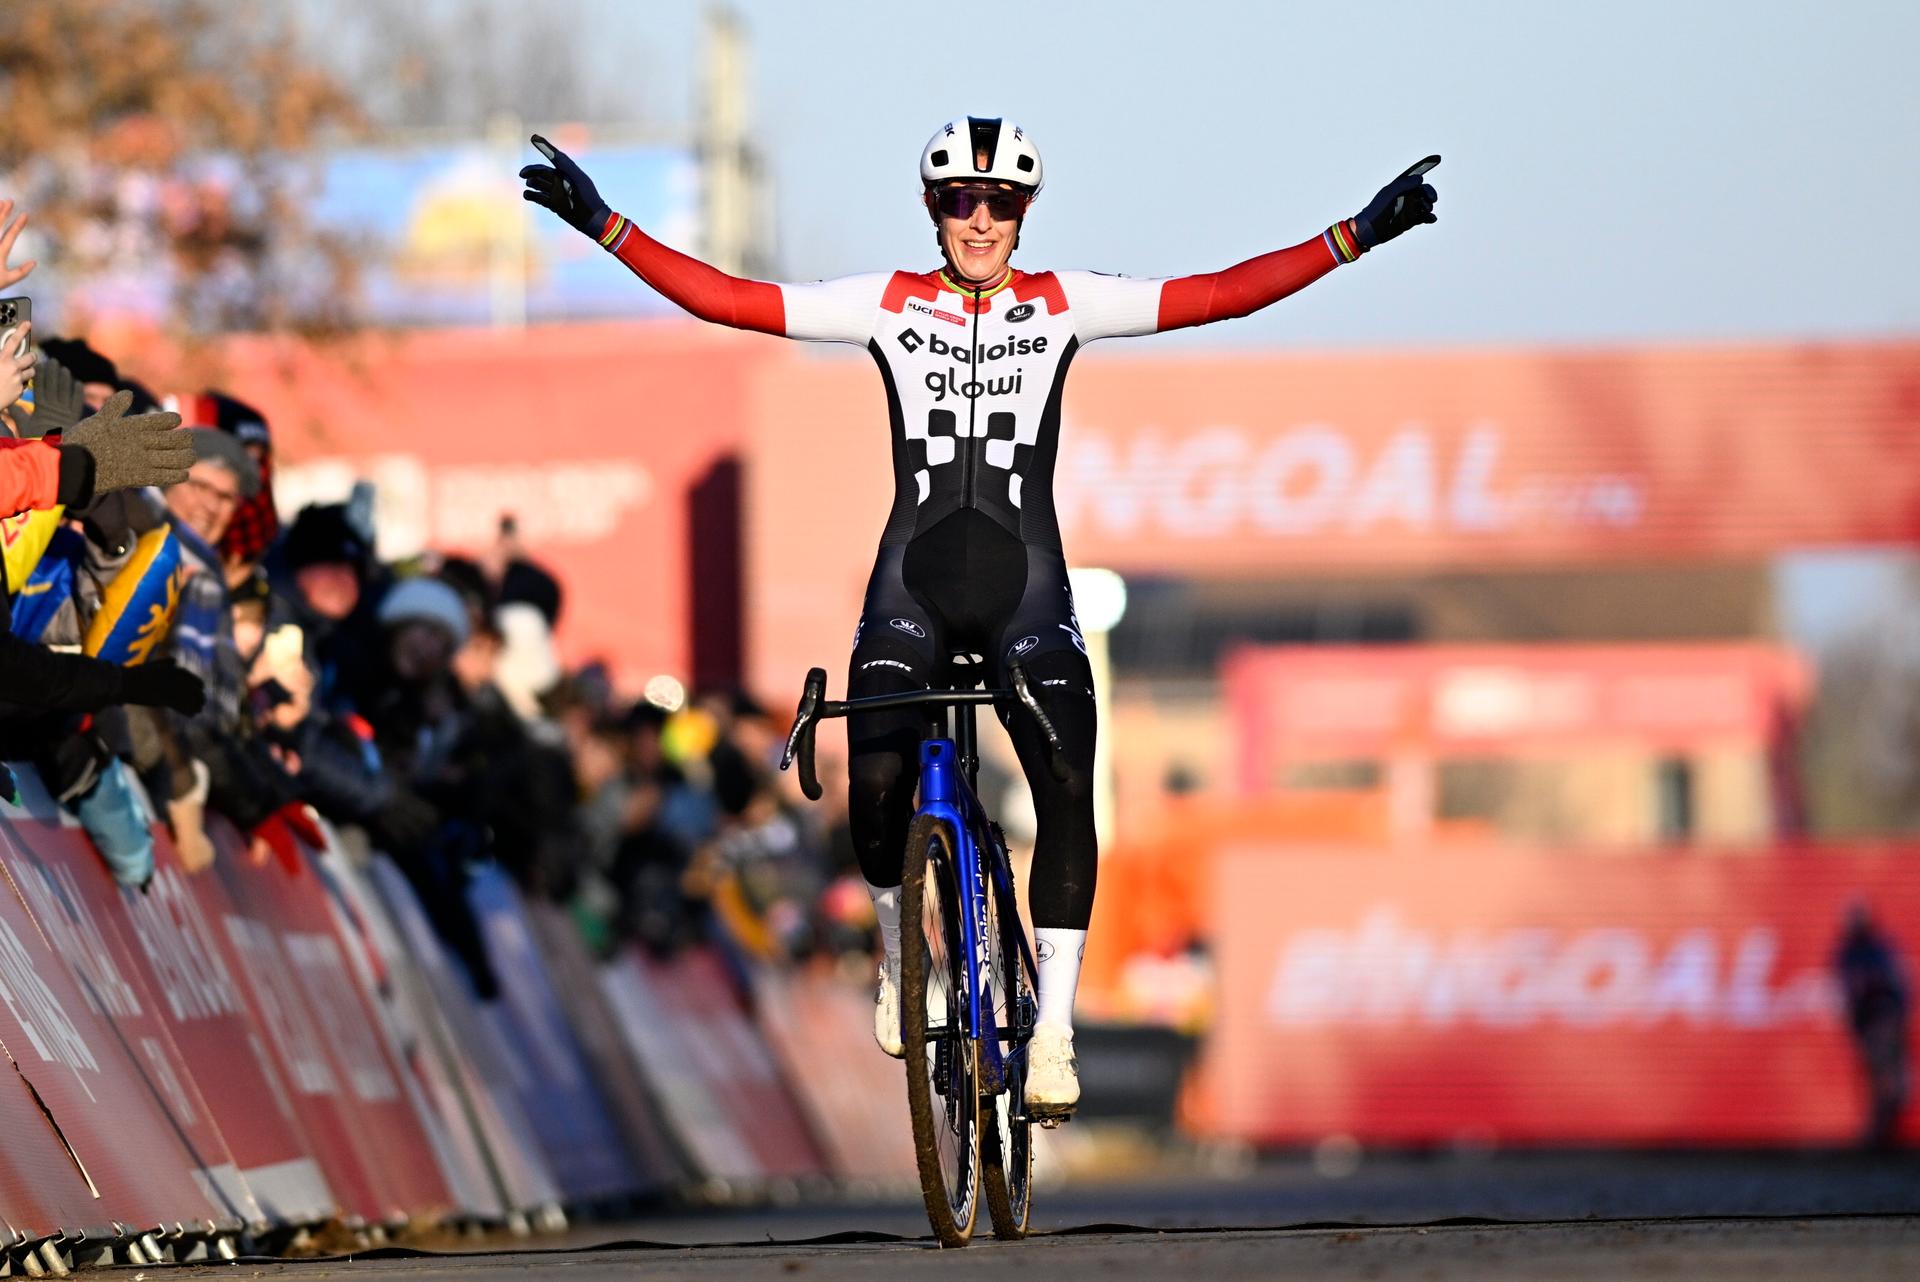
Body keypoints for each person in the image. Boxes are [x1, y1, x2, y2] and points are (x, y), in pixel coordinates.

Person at [522, 118, 1439, 1117]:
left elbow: (1220, 294)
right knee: (876, 777)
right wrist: (606, 226)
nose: (981, 220)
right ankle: (898, 957)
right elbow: (728, 299)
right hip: (913, 582)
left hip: (1024, 587)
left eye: (1000, 202)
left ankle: (1054, 1033)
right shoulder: (885, 303)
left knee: (1068, 778)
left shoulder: (1064, 303)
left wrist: (1354, 235)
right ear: (935, 208)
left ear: (1024, 213)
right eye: (962, 200)